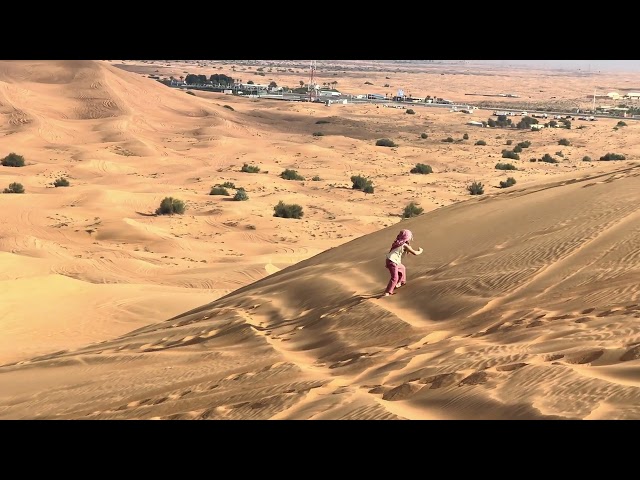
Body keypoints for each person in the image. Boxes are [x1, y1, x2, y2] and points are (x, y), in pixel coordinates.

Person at [383, 229, 423, 296]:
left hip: (391, 260)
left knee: (402, 268)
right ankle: (387, 292)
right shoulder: (404, 245)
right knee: (394, 278)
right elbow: (415, 253)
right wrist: (420, 251)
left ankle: (401, 282)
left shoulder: (397, 243)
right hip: (393, 262)